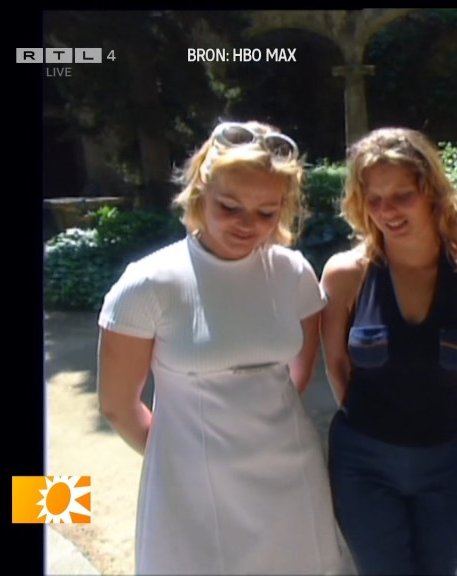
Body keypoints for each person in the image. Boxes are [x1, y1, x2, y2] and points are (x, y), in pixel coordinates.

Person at [96, 120, 345, 575]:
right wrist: (180, 459)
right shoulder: (148, 283)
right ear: (200, 191)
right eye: (230, 207)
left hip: (291, 478)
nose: (249, 225)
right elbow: (117, 404)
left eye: (267, 212)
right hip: (193, 489)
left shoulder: (293, 272)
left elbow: (297, 375)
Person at [319, 127, 457, 575]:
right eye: (375, 199)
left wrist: (433, 417)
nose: (388, 211)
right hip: (363, 461)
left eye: (402, 195)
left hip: (446, 460)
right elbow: (336, 365)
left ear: (432, 193)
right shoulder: (346, 274)